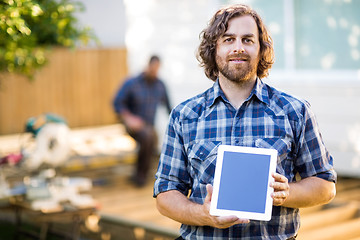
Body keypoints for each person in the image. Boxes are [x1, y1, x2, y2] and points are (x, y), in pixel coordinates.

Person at [153, 4, 336, 239]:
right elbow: (165, 194)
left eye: (248, 40)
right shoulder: (184, 115)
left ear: (261, 49)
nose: (238, 47)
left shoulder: (295, 111)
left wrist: (286, 193)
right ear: (214, 48)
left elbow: (325, 186)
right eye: (228, 39)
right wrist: (203, 214)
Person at [113, 55, 172, 187]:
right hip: (132, 124)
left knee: (152, 137)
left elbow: (169, 108)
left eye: (157, 69)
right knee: (148, 136)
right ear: (148, 65)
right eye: (152, 68)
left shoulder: (160, 85)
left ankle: (144, 174)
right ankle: (140, 177)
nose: (154, 72)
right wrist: (129, 118)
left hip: (149, 127)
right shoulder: (131, 83)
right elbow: (117, 103)